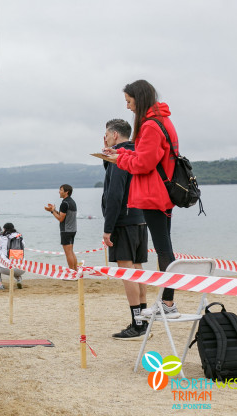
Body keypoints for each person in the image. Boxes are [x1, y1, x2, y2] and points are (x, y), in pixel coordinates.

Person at [103, 79, 181, 318]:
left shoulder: (149, 126)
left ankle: (168, 304)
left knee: (164, 250)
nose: (127, 107)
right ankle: (166, 303)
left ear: (139, 98)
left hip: (153, 194)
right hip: (165, 192)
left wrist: (119, 160)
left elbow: (144, 163)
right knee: (164, 248)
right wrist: (123, 152)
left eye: (129, 101)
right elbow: (148, 154)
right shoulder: (163, 121)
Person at [101, 119, 149, 340]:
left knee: (128, 272)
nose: (105, 138)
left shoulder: (119, 157)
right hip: (141, 218)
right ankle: (143, 321)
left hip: (124, 220)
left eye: (107, 135)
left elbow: (115, 193)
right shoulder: (137, 153)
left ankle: (137, 323)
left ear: (114, 135)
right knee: (137, 269)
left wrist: (108, 227)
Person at [45, 184, 77, 271]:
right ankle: (75, 272)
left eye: (61, 190)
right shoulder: (72, 202)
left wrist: (52, 211)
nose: (59, 191)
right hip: (73, 229)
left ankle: (71, 273)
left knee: (68, 253)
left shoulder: (64, 203)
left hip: (66, 230)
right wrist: (53, 210)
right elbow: (62, 215)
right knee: (71, 252)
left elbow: (60, 218)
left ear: (66, 192)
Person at [0, 222, 25, 290]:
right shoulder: (20, 237)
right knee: (15, 262)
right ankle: (19, 279)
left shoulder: (3, 238)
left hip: (7, 269)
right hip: (22, 269)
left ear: (5, 229)